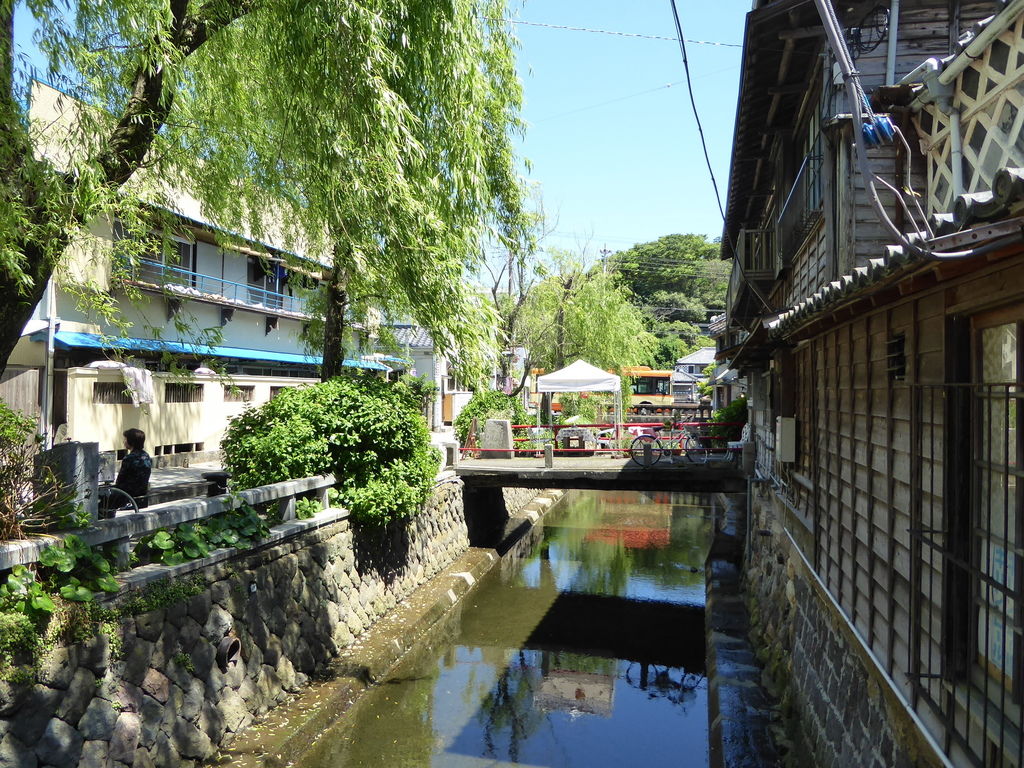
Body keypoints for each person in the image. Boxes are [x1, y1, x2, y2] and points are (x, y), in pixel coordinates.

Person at [114, 428, 152, 508]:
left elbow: (120, 480)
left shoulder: (129, 458)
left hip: (128, 494)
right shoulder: (146, 456)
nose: (124, 442)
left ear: (131, 441)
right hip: (142, 492)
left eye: (125, 439)